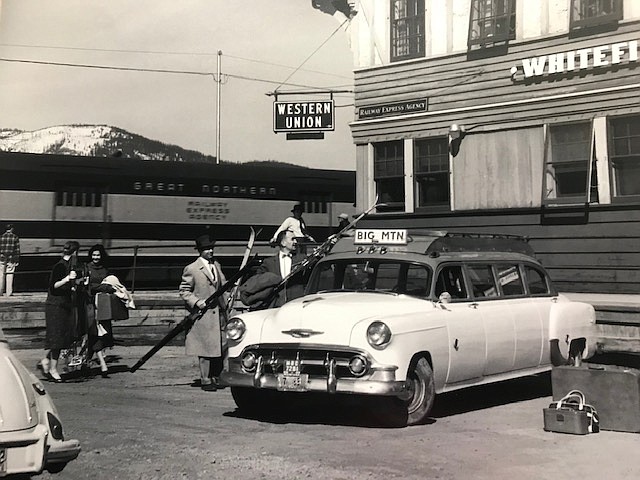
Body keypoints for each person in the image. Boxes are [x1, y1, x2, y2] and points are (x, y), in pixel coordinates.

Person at [179, 233, 229, 391]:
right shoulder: (192, 268)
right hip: (203, 315)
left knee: (221, 346)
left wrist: (229, 298)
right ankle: (205, 379)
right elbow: (184, 291)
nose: (211, 251)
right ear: (200, 251)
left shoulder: (217, 265)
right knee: (205, 348)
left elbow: (223, 285)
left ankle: (217, 376)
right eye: (207, 249)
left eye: (212, 248)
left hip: (219, 312)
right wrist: (197, 302)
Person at [41, 241, 85, 382]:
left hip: (64, 305)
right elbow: (54, 286)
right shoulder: (60, 266)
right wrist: (67, 279)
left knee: (62, 337)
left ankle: (46, 361)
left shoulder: (68, 266)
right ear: (75, 252)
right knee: (57, 338)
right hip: (56, 306)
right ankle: (53, 369)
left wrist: (74, 284)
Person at [250, 229, 307, 308]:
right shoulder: (268, 263)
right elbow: (259, 281)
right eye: (292, 239)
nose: (295, 242)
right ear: (283, 243)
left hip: (297, 305)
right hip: (276, 307)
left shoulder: (302, 259)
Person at [85, 244, 116, 378]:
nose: (96, 257)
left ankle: (86, 362)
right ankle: (103, 365)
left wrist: (102, 288)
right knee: (95, 332)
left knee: (103, 332)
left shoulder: (105, 269)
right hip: (90, 304)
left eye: (98, 255)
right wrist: (102, 287)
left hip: (103, 304)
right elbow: (88, 287)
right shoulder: (87, 268)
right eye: (94, 255)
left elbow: (111, 286)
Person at [0, 223, 20, 297]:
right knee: (10, 274)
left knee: (1, 274)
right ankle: (9, 292)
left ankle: (0, 291)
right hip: (11, 258)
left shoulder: (1, 237)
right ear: (11, 229)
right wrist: (17, 259)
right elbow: (17, 250)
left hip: (1, 257)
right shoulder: (15, 237)